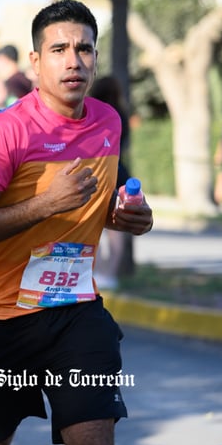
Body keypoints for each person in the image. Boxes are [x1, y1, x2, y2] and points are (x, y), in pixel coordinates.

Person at [0, 0, 154, 445]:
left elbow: (94, 208)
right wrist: (42, 205)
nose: (73, 60)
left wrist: (128, 219)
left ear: (96, 58)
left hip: (76, 314)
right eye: (59, 49)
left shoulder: (107, 123)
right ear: (35, 62)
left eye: (84, 49)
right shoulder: (4, 133)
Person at [89, 75, 134, 289]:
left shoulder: (94, 114)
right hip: (120, 171)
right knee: (116, 227)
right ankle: (111, 272)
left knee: (92, 223)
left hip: (99, 170)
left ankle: (94, 270)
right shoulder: (122, 115)